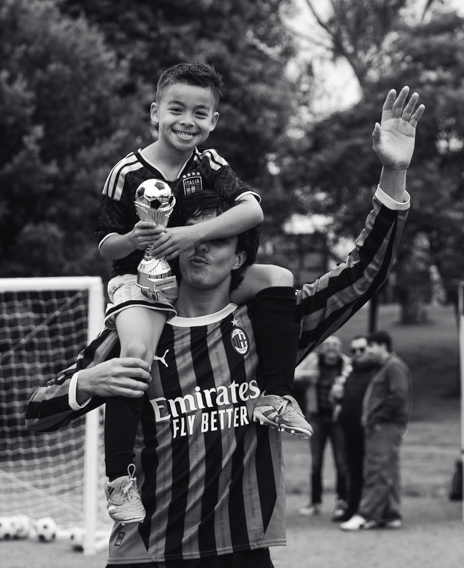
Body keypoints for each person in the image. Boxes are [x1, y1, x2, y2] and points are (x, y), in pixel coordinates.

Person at [26, 86, 424, 566]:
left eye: (216, 238)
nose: (199, 246)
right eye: (189, 235)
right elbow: (38, 410)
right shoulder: (136, 332)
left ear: (239, 256)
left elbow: (362, 275)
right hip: (149, 555)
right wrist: (86, 384)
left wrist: (393, 173)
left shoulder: (269, 328)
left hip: (243, 550)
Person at [96, 62, 311, 524]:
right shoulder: (126, 171)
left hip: (194, 271)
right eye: (176, 109)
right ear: (155, 112)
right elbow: (105, 245)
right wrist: (134, 239)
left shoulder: (209, 164)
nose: (186, 121)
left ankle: (274, 397)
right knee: (134, 357)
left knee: (277, 278)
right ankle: (119, 481)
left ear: (213, 120)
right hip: (140, 280)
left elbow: (252, 211)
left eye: (199, 113)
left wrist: (190, 236)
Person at [340, 330, 412, 531]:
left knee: (376, 469)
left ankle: (367, 514)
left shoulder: (393, 366)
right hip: (385, 425)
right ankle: (390, 514)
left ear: (382, 346)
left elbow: (398, 395)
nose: (368, 351)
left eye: (370, 346)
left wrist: (376, 417)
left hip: (385, 425)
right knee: (388, 471)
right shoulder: (386, 366)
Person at [294, 335, 350, 521]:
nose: (331, 347)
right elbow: (291, 373)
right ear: (322, 347)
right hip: (316, 418)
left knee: (341, 462)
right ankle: (315, 503)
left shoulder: (347, 364)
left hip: (338, 419)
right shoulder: (312, 360)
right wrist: (306, 376)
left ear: (340, 348)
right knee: (316, 463)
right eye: (327, 344)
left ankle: (342, 501)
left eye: (335, 344)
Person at [330, 334, 374, 521]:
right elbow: (339, 398)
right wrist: (337, 395)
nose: (357, 353)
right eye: (353, 350)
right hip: (349, 429)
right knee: (352, 470)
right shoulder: (349, 371)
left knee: (370, 470)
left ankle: (370, 509)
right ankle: (353, 507)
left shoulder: (377, 371)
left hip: (369, 430)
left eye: (361, 349)